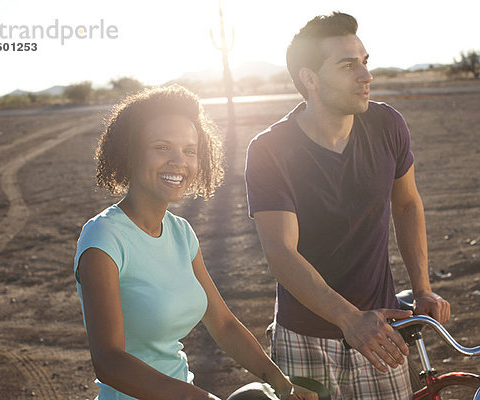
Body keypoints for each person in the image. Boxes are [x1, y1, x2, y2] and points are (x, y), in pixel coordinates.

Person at [244, 12, 450, 399]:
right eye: (348, 65)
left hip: (382, 330)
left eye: (365, 62)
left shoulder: (387, 125)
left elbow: (407, 205)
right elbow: (281, 253)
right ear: (310, 79)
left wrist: (423, 288)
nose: (366, 76)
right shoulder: (270, 149)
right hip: (304, 336)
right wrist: (350, 320)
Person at [73, 86, 317, 400]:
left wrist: (283, 385)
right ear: (130, 151)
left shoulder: (180, 232)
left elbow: (224, 325)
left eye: (190, 150)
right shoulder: (103, 239)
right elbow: (109, 362)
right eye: (162, 147)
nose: (180, 162)